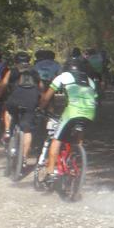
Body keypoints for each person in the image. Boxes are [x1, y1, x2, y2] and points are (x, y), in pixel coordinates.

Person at [38, 56, 98, 185]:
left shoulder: (63, 76)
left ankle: (50, 172)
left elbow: (46, 98)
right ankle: (76, 157)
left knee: (56, 139)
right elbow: (95, 98)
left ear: (66, 68)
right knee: (77, 140)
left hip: (72, 112)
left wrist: (40, 108)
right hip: (90, 113)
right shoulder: (90, 81)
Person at [2, 52, 42, 170]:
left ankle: (8, 131)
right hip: (31, 100)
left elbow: (3, 84)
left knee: (8, 110)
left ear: (16, 61)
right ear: (28, 61)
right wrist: (40, 99)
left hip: (16, 98)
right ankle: (24, 158)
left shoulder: (12, 71)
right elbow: (41, 87)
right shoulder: (34, 71)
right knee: (27, 130)